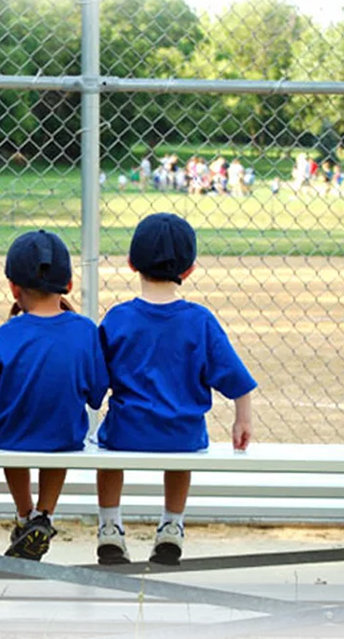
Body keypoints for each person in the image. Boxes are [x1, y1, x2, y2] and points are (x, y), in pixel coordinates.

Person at [95, 213, 256, 567]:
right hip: (183, 435)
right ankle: (171, 527)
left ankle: (109, 528)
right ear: (190, 270)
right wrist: (242, 418)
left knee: (105, 450)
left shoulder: (118, 318)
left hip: (127, 433)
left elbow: (95, 381)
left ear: (131, 263)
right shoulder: (200, 321)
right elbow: (234, 376)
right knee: (183, 450)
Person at [0, 230, 109, 562]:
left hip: (10, 437)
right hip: (63, 436)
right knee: (61, 430)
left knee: (9, 430)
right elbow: (97, 395)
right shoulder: (85, 331)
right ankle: (44, 514)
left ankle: (25, 514)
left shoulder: (5, 334)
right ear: (68, 285)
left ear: (13, 287)